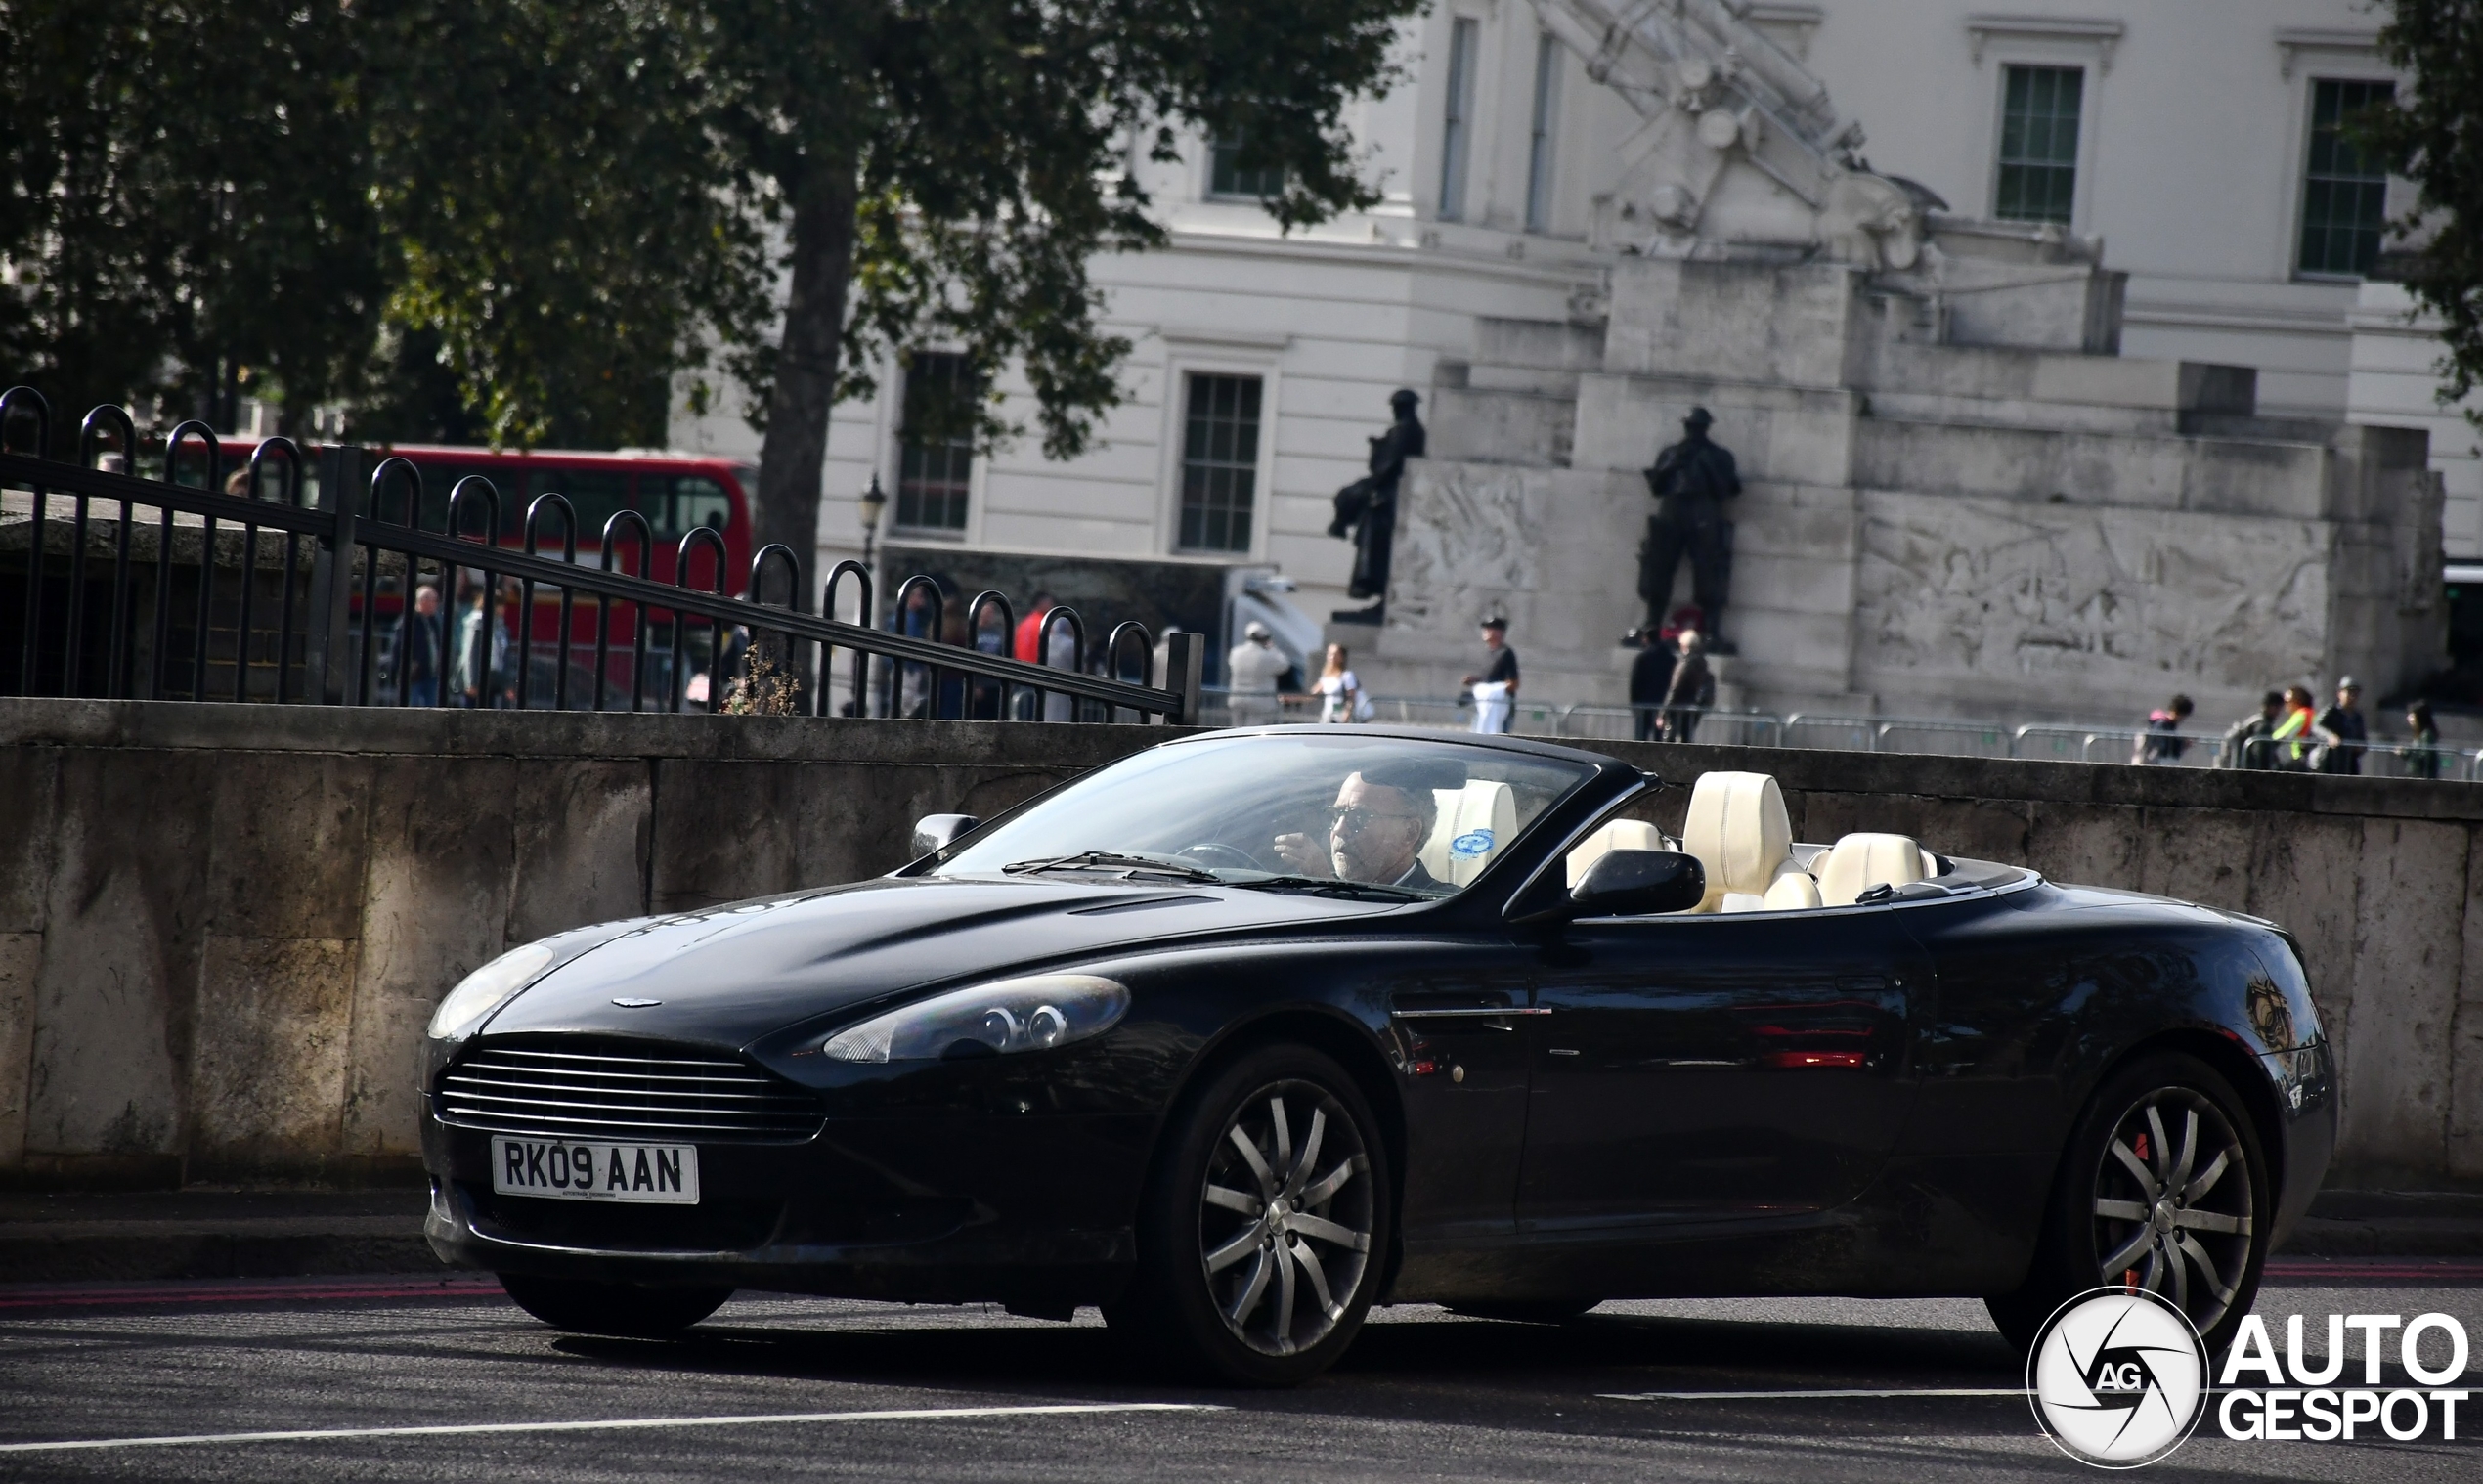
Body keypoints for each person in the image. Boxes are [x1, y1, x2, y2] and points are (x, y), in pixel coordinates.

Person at [1269, 761, 1457, 890]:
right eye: (1336, 815)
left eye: (1359, 817)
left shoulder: (1445, 906)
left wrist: (1324, 887)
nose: (1339, 829)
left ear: (1409, 833)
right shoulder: (1300, 884)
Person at [1638, 407, 1741, 636]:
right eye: (1690, 427)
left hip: (1703, 512)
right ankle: (1652, 623)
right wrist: (1670, 466)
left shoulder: (1718, 455)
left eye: (1698, 427)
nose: (1693, 432)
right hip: (1672, 510)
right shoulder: (1671, 453)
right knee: (1658, 566)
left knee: (1709, 568)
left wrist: (1708, 467)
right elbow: (1656, 487)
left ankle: (1711, 627)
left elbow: (1727, 490)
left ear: (1706, 429)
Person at [1328, 390, 1426, 622]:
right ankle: (1341, 524)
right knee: (1352, 501)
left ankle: (1341, 526)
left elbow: (1386, 466)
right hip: (1389, 490)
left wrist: (1374, 476)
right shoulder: (1407, 430)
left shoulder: (1405, 430)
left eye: (1397, 406)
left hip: (1389, 494)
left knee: (1356, 504)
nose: (1395, 411)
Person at [454, 578, 513, 708]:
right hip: (477, 678)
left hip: (492, 679)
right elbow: (471, 652)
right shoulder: (477, 622)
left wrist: (506, 683)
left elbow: (503, 654)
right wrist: (472, 682)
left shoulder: (500, 626)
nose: (503, 609)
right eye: (500, 605)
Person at [1462, 615, 1519, 734]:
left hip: (1499, 707)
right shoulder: (1487, 653)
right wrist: (1474, 681)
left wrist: (1494, 691)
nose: (1486, 631)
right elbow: (1487, 678)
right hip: (1483, 706)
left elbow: (1513, 683)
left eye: (1490, 628)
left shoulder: (1506, 653)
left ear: (1500, 632)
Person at [1226, 621, 1288, 726]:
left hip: (1237, 697)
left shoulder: (1235, 653)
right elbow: (1284, 665)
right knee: (1252, 732)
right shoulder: (1267, 656)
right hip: (1259, 700)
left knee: (1235, 730)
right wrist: (1272, 648)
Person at [1659, 629, 1715, 742]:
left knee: (1670, 741)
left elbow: (1675, 689)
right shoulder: (1703, 664)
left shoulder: (1685, 664)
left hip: (1679, 708)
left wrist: (1663, 713)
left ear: (1684, 645)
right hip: (1694, 708)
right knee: (1687, 738)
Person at [1627, 627, 1675, 742]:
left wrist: (1634, 702)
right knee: (1659, 739)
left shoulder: (1643, 657)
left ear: (1647, 639)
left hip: (1644, 702)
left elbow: (1635, 682)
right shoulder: (1670, 658)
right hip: (1662, 703)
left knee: (1641, 738)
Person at [400, 584, 443, 708]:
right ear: (423, 601)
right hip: (414, 675)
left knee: (432, 708)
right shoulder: (409, 621)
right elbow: (399, 647)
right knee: (410, 707)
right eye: (434, 600)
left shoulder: (434, 621)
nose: (436, 604)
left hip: (431, 673)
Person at [2219, 690, 2286, 769]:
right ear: (2272, 707)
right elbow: (2262, 753)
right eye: (2278, 708)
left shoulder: (2255, 721)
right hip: (2247, 769)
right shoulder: (2263, 725)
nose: (2279, 713)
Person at [2314, 677, 2367, 775]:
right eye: (2349, 693)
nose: (2352, 698)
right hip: (2329, 760)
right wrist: (2330, 736)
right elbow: (2317, 727)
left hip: (2348, 763)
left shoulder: (2357, 717)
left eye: (2355, 694)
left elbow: (2363, 740)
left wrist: (2359, 747)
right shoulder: (2332, 711)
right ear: (2340, 694)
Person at [2132, 694, 2195, 765]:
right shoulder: (2163, 725)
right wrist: (2181, 744)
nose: (2183, 719)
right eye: (2183, 716)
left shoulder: (2162, 724)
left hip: (2154, 762)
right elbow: (2164, 747)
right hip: (2156, 764)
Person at [2268, 684, 2319, 770]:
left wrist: (2268, 739)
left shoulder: (2302, 714)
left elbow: (2282, 734)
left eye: (2287, 701)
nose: (2285, 705)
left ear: (2298, 700)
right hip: (2311, 759)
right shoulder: (2312, 714)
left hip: (2302, 759)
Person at [1313, 644, 1365, 723]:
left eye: (1335, 654)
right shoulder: (1326, 677)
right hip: (1327, 715)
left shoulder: (1347, 676)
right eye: (1330, 654)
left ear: (1342, 657)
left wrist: (1347, 713)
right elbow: (1313, 694)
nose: (1332, 657)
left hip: (1340, 716)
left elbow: (1351, 697)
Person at [2407, 699, 2445, 781]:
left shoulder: (2426, 735)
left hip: (2422, 778)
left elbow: (2425, 757)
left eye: (2412, 716)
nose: (2409, 719)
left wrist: (2407, 753)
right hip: (2416, 777)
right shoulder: (2420, 735)